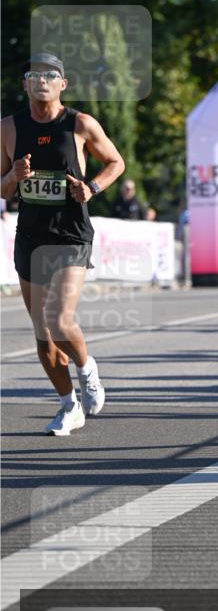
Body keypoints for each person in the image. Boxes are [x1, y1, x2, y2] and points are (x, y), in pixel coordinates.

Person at [0, 52, 125, 435]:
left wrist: (91, 187)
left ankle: (88, 372)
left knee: (58, 319)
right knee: (42, 334)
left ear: (62, 84)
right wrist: (13, 177)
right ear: (25, 84)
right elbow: (1, 187)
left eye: (49, 75)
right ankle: (68, 405)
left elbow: (115, 163)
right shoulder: (8, 128)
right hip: (32, 236)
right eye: (34, 75)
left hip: (71, 233)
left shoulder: (80, 124)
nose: (41, 80)